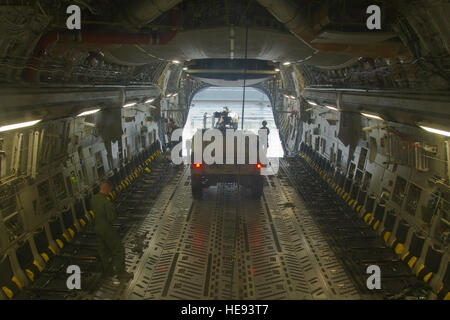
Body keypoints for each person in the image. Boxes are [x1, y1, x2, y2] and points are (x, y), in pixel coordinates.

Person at [91, 180, 133, 285]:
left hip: (97, 228)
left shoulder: (94, 199)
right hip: (107, 229)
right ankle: (121, 273)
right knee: (118, 249)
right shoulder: (107, 202)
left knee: (103, 250)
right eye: (110, 190)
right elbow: (111, 218)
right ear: (107, 189)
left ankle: (108, 272)